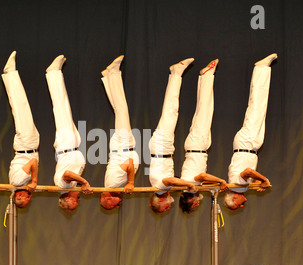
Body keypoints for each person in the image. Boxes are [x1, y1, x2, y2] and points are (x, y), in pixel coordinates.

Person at [149, 58, 228, 213]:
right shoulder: (168, 188)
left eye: (165, 207)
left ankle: (176, 74)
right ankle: (204, 76)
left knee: (172, 110)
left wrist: (218, 181)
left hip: (163, 147)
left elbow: (181, 178)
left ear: (160, 200)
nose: (168, 206)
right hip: (169, 149)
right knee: (194, 111)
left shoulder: (160, 187)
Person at [223, 54, 276, 210]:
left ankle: (261, 68)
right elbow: (248, 174)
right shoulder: (240, 187)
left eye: (237, 205)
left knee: (257, 106)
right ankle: (263, 69)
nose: (241, 206)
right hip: (249, 145)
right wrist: (258, 182)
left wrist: (264, 179)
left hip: (247, 143)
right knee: (259, 107)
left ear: (234, 198)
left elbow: (247, 171)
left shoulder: (238, 187)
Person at [45, 55, 92, 211]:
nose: (78, 202)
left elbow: (67, 173)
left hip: (66, 144)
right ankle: (56, 73)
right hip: (72, 145)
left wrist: (83, 182)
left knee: (60, 107)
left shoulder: (63, 186)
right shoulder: (69, 186)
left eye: (75, 203)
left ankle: (52, 73)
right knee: (65, 106)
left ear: (66, 199)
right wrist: (80, 184)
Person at [100, 55, 140, 210]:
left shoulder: (113, 184)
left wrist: (131, 182)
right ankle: (108, 77)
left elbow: (129, 164)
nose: (119, 205)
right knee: (119, 110)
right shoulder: (113, 185)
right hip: (123, 146)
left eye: (114, 206)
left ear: (108, 199)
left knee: (122, 110)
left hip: (123, 145)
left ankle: (114, 73)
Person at [2, 51, 39, 208]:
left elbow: (33, 162)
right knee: (21, 108)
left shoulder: (18, 182)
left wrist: (35, 180)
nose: (30, 197)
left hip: (26, 145)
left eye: (26, 199)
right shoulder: (19, 183)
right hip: (28, 145)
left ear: (20, 195)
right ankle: (10, 73)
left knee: (20, 107)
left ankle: (10, 73)